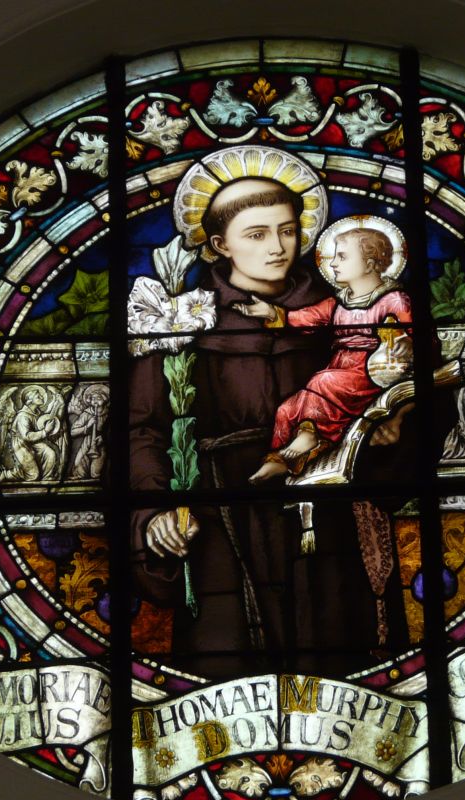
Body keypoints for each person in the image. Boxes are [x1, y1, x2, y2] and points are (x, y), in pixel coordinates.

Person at [129, 169, 411, 678]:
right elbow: (143, 428)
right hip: (220, 512)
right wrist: (154, 510)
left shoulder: (347, 310)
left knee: (335, 648)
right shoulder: (181, 319)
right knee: (224, 660)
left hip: (326, 511)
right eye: (257, 234)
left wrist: (393, 430)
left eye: (287, 231)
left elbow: (401, 385)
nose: (278, 247)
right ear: (220, 245)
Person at [236, 225, 412, 482]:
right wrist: (271, 312)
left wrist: (406, 343)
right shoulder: (338, 302)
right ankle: (282, 461)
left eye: (342, 256)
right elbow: (306, 318)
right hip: (341, 370)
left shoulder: (394, 300)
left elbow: (415, 337)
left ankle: (307, 439)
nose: (334, 263)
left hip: (370, 372)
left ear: (369, 263)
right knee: (287, 409)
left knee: (324, 380)